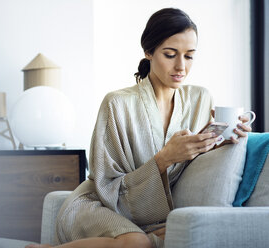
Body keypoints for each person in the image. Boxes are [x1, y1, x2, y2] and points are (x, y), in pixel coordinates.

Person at [26, 7, 251, 248]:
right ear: (148, 52)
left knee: (168, 236)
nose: (181, 67)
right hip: (97, 204)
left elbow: (193, 159)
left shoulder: (200, 99)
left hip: (148, 215)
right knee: (138, 243)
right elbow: (105, 184)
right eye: (170, 54)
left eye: (189, 56)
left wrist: (220, 141)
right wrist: (164, 158)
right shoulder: (116, 103)